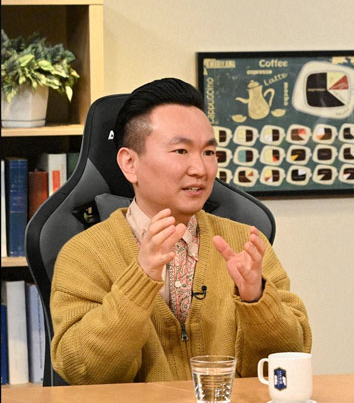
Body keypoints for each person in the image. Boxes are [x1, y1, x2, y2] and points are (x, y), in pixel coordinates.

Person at [50, 78, 312, 384]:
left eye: (209, 153)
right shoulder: (83, 254)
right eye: (181, 151)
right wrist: (140, 279)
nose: (200, 169)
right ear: (130, 163)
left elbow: (287, 363)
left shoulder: (245, 243)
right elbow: (82, 371)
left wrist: (257, 300)